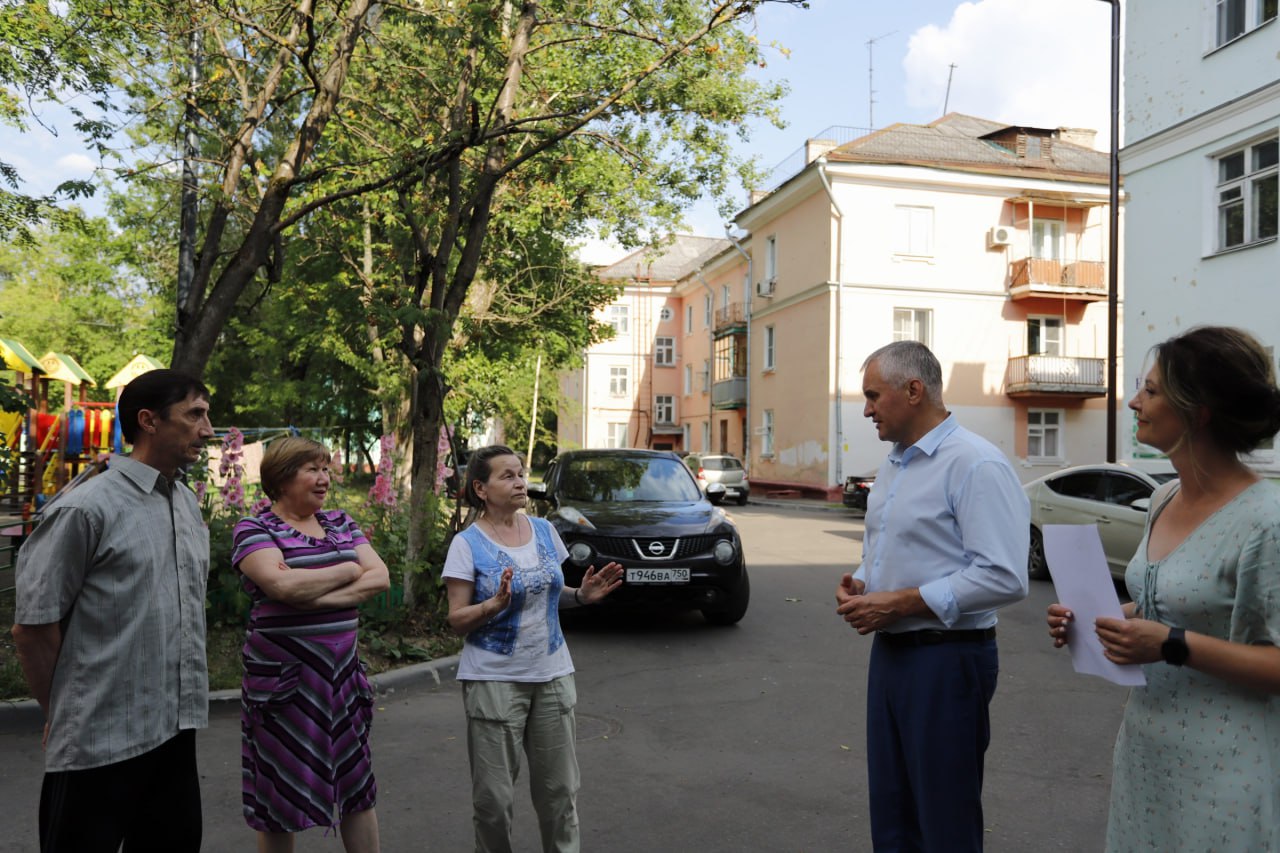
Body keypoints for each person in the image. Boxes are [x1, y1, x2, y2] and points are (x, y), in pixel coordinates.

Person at [1046, 325, 1280, 851]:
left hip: (1228, 770)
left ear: (1198, 412)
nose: (1134, 403)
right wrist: (1097, 615)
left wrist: (1172, 644)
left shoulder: (1268, 521)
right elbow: (1172, 601)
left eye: (1150, 391)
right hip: (1148, 756)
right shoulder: (1163, 498)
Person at [834, 341, 1029, 852]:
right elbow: (888, 548)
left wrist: (900, 602)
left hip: (948, 659)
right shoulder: (895, 464)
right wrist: (863, 583)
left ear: (914, 391)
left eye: (873, 395)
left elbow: (1005, 576)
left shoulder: (976, 464)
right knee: (893, 814)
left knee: (944, 821)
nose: (867, 409)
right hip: (892, 655)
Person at [11, 369, 214, 852]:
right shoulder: (85, 509)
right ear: (149, 421)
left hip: (175, 730)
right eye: (195, 415)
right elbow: (33, 628)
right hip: (98, 740)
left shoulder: (185, 503)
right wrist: (60, 710)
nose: (208, 430)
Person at [443, 444, 623, 853]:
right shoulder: (467, 544)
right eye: (507, 476)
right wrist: (491, 606)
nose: (520, 482)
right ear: (481, 489)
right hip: (493, 682)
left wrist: (581, 596)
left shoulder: (544, 531)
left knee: (560, 794)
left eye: (521, 473)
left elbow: (551, 595)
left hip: (552, 676)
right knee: (493, 802)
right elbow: (456, 619)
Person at [231, 436, 391, 852]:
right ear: (283, 478)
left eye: (325, 469)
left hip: (342, 683)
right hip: (285, 689)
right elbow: (281, 585)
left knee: (357, 786)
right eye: (312, 470)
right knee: (277, 797)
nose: (324, 478)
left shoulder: (340, 522)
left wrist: (313, 596)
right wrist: (349, 569)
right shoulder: (255, 528)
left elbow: (380, 577)